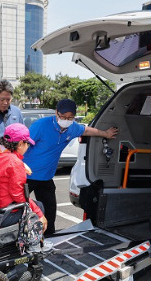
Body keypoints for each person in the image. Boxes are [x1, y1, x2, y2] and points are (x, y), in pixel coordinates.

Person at [23, 99, 118, 235]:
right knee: (19, 208)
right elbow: (23, 144)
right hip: (27, 176)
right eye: (63, 116)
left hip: (46, 178)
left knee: (50, 211)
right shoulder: (41, 125)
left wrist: (106, 134)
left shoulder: (72, 128)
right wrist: (19, 163)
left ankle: (49, 238)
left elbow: (86, 130)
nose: (66, 120)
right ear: (56, 113)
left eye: (70, 117)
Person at [0, 123, 47, 230]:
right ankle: (31, 244)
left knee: (35, 205)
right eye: (27, 144)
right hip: (2, 215)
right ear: (21, 144)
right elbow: (19, 196)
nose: (27, 147)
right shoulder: (14, 162)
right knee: (39, 206)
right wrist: (40, 215)